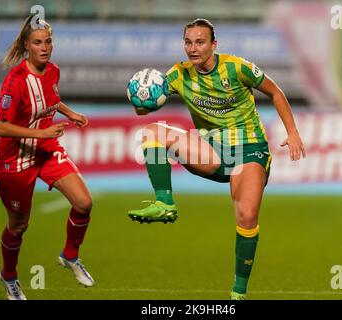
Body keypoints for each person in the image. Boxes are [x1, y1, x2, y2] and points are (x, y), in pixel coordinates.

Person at [128, 18, 306, 300]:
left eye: (200, 42)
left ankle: (238, 293)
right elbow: (147, 107)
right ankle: (164, 202)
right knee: (153, 132)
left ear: (214, 44)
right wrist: (141, 100)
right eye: (188, 42)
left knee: (246, 216)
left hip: (249, 149)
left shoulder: (237, 67)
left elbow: (275, 92)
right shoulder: (178, 74)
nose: (193, 48)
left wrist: (293, 132)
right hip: (210, 150)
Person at [0, 15, 94, 300]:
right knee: (18, 226)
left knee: (84, 202)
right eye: (38, 42)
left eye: (48, 41)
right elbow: (1, 126)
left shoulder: (53, 71)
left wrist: (70, 112)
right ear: (27, 45)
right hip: (15, 160)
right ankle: (9, 276)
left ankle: (70, 256)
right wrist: (43, 134)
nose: (45, 47)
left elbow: (50, 97)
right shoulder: (14, 81)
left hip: (46, 151)